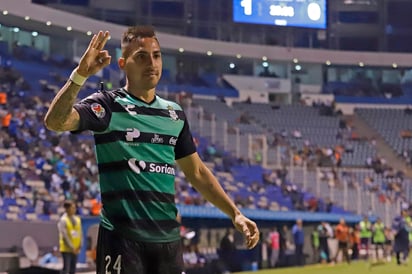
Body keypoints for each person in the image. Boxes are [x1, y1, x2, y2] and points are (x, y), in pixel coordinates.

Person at [44, 26, 259, 274]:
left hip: (167, 243)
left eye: (156, 55)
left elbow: (197, 172)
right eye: (141, 57)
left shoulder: (174, 114)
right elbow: (55, 122)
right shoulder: (108, 105)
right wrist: (80, 75)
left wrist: (236, 214)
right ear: (123, 63)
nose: (152, 63)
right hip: (122, 240)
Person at [57, 200, 82, 274]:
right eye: (72, 208)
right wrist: (72, 247)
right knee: (66, 270)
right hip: (67, 249)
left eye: (75, 208)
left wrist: (80, 245)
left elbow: (80, 233)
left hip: (76, 248)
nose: (74, 209)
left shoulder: (77, 219)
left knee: (73, 269)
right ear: (67, 209)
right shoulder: (63, 220)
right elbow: (65, 236)